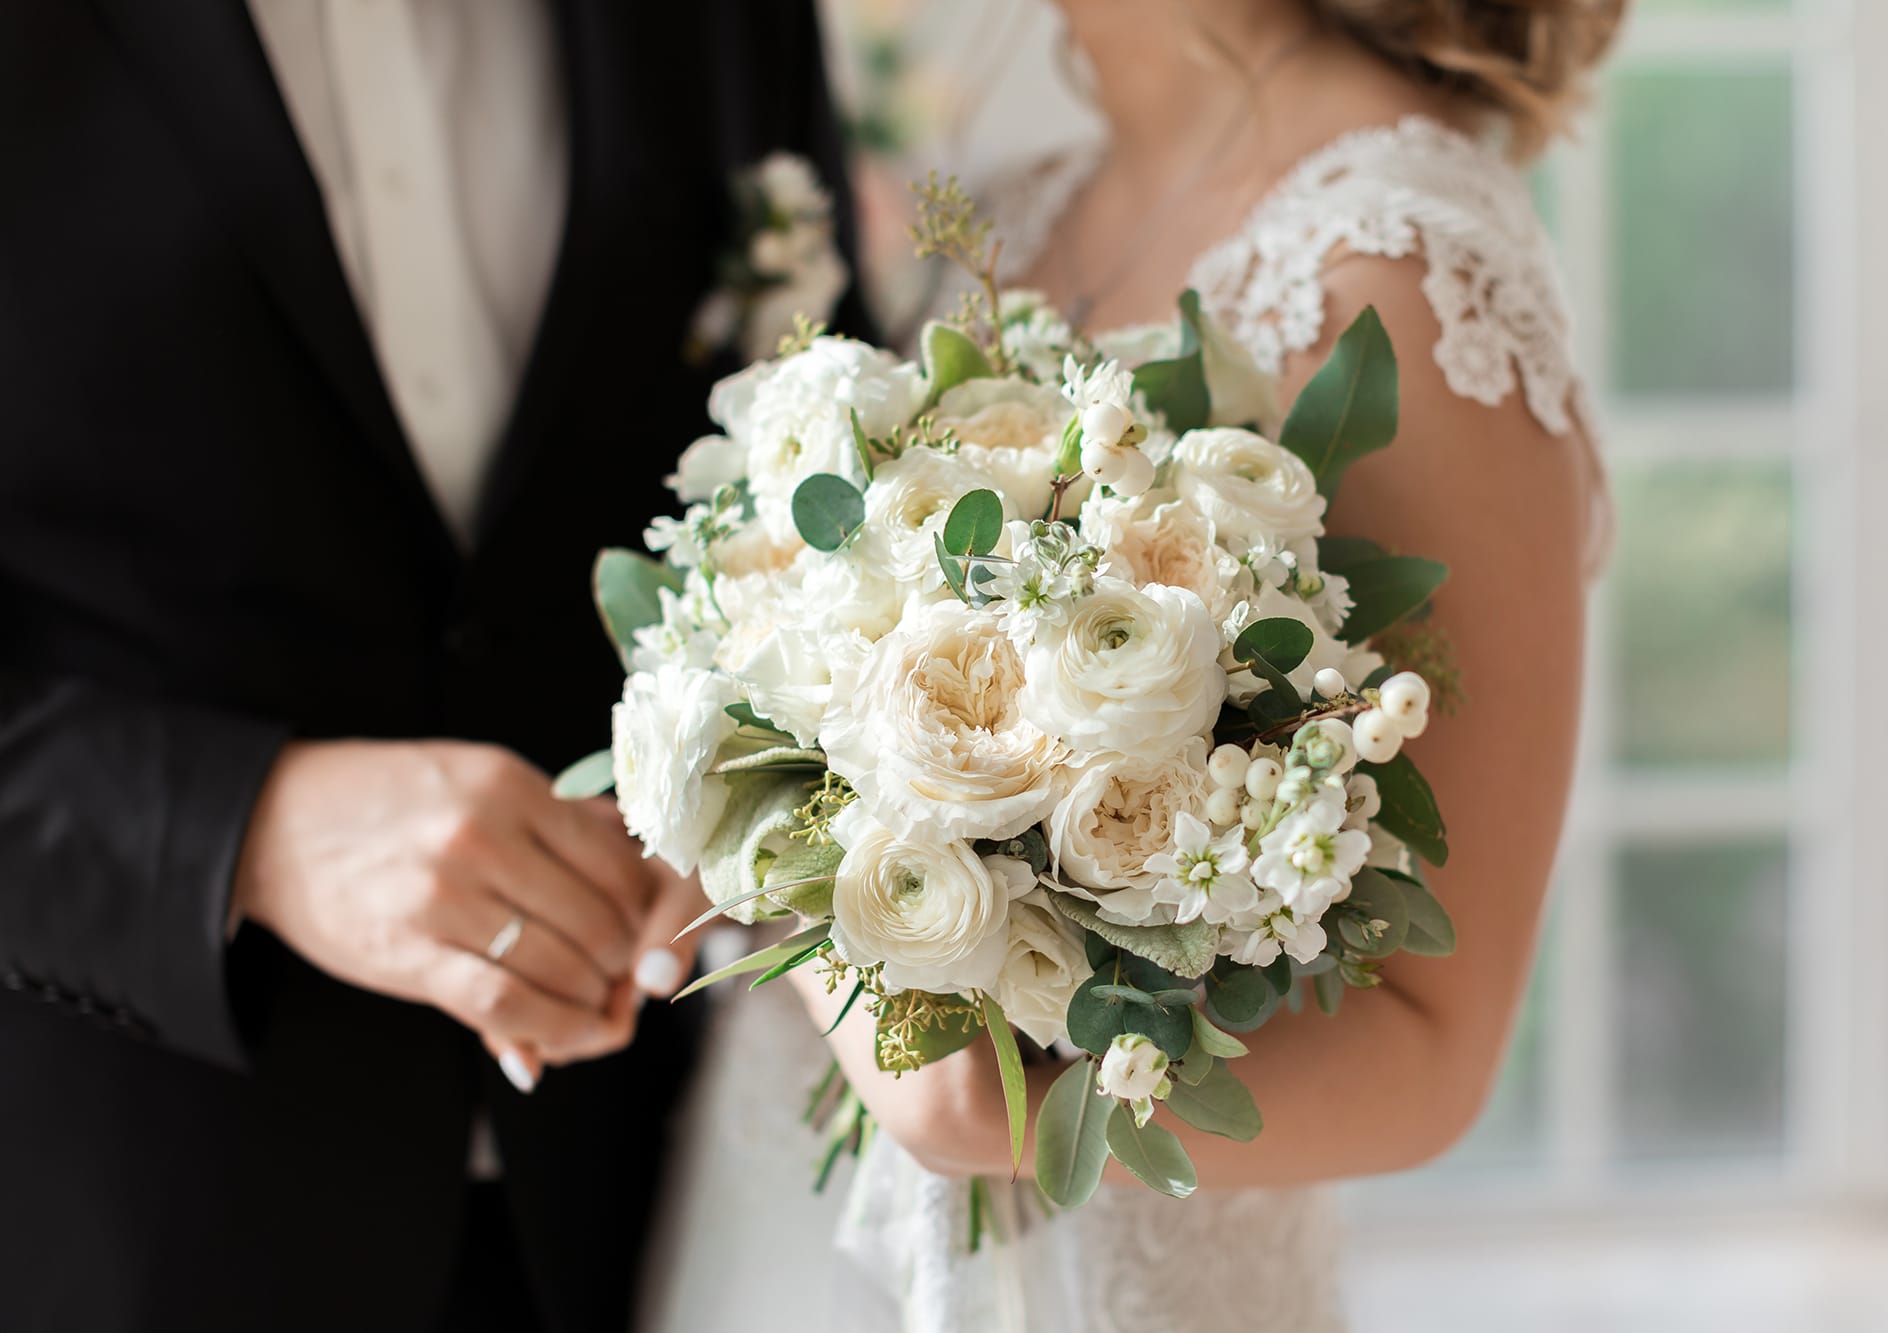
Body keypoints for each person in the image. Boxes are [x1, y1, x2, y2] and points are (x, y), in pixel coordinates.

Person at [645, 1, 1620, 1330]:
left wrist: (1002, 1112)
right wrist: (752, 817)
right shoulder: (1023, 209)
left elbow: (1431, 1047)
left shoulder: (1400, 269)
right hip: (781, 1223)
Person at [0, 3, 864, 1330]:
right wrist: (248, 834)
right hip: (136, 1200)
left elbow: (811, 443)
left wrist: (750, 784)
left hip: (651, 1197)